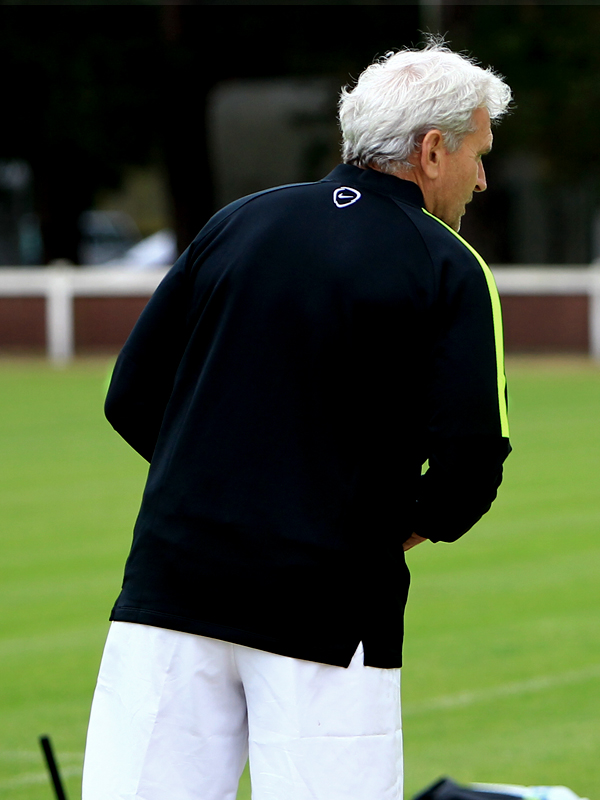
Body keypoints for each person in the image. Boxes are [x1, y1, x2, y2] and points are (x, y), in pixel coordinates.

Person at [82, 42, 512, 800]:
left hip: (172, 587)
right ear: (433, 149)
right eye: (478, 152)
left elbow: (131, 396)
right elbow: (469, 466)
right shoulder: (446, 263)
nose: (482, 177)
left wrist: (216, 489)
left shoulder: (238, 221)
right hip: (329, 609)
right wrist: (390, 525)